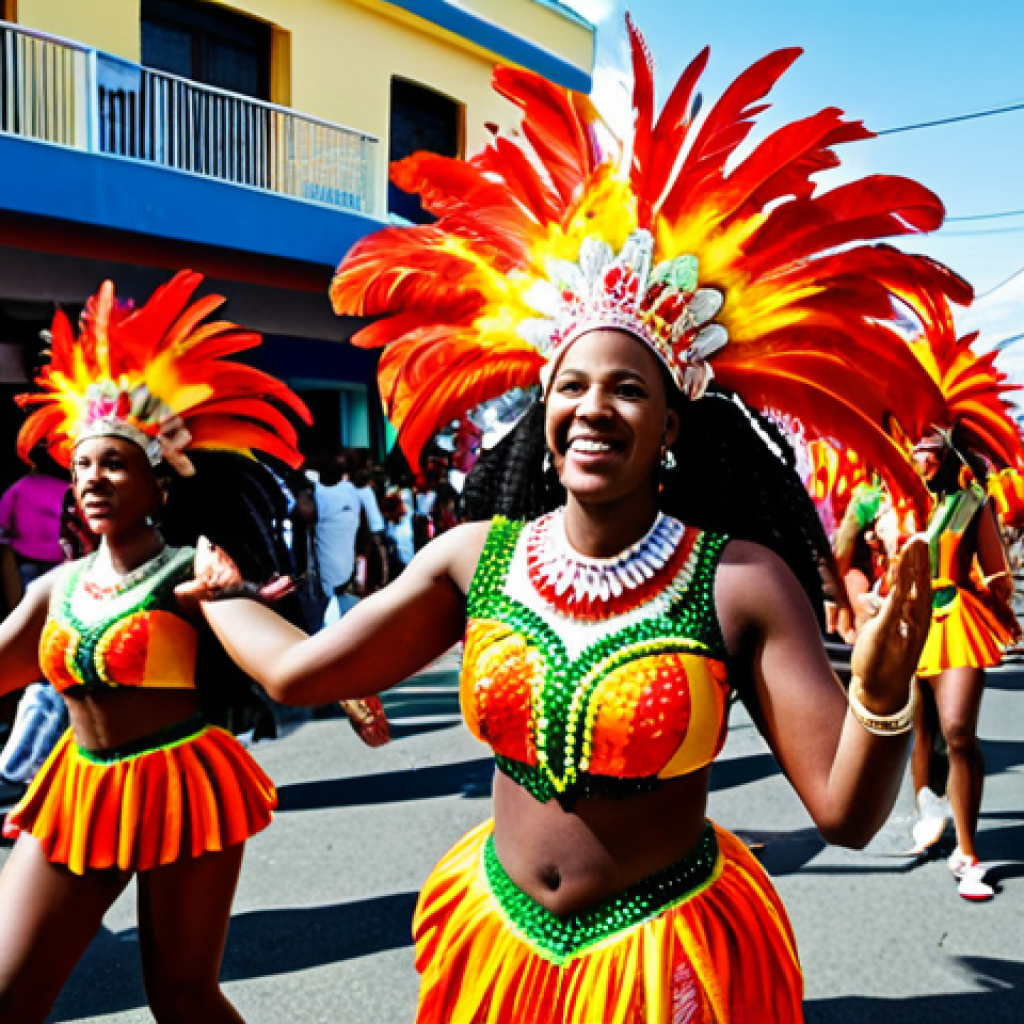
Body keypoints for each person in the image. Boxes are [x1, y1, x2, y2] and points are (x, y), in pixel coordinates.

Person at [196, 22, 957, 1022]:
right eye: (572, 386)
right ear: (542, 417)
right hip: (499, 941)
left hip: (663, 959)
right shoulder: (473, 559)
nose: (594, 406)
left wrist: (883, 695)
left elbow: (846, 815)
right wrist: (222, 593)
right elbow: (301, 672)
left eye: (628, 388)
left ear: (671, 423)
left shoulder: (738, 581)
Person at [0, 270, 311, 1023]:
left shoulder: (189, 570)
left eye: (114, 463)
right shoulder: (59, 587)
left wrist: (353, 690)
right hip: (78, 789)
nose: (93, 479)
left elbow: (278, 650)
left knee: (180, 996)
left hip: (180, 783)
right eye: (82, 465)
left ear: (157, 483)